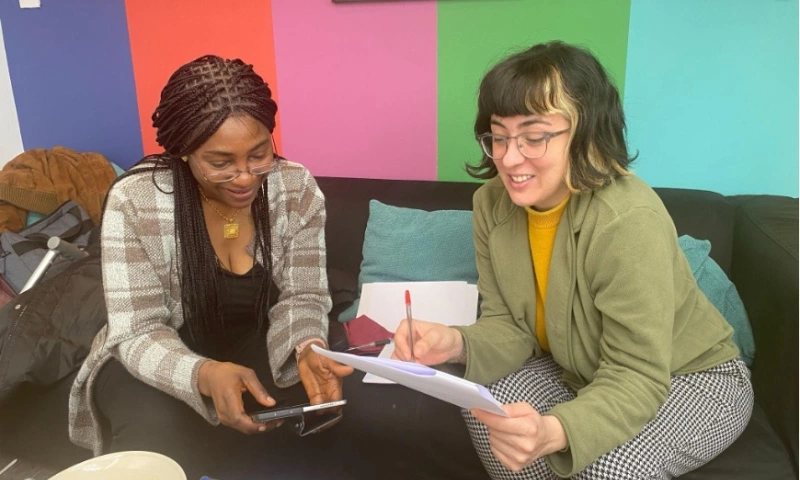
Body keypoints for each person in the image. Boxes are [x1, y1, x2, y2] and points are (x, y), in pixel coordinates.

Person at [393, 41, 753, 479]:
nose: (508, 158)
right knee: (488, 408)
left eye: (533, 136)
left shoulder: (627, 220)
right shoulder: (491, 206)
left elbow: (637, 375)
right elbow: (510, 327)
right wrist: (453, 342)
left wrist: (556, 430)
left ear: (587, 133)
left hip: (690, 378)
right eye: (499, 136)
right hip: (581, 371)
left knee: (604, 468)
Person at [67, 55, 355, 479]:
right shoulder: (136, 202)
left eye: (259, 154)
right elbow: (138, 330)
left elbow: (303, 295)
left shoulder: (294, 188)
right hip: (151, 358)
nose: (244, 177)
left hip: (253, 344)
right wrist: (203, 374)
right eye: (220, 163)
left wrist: (307, 347)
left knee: (320, 406)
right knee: (158, 447)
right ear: (184, 153)